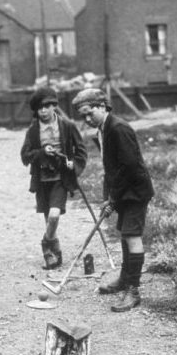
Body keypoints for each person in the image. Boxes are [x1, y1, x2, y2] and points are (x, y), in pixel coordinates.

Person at [71, 88, 154, 312]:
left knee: (132, 236)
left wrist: (113, 199)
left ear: (102, 106)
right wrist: (108, 197)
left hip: (135, 191)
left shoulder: (118, 128)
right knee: (125, 235)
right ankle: (125, 279)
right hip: (123, 191)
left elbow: (130, 168)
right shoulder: (102, 129)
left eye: (90, 113)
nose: (87, 119)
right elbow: (111, 169)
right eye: (83, 116)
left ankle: (133, 291)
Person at [21, 87, 87, 269]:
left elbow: (81, 151)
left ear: (54, 107)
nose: (43, 111)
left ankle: (45, 244)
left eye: (46, 107)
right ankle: (53, 254)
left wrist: (74, 163)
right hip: (41, 179)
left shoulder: (67, 126)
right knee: (48, 219)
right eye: (39, 108)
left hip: (60, 178)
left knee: (54, 215)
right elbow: (25, 156)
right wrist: (42, 152)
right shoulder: (33, 130)